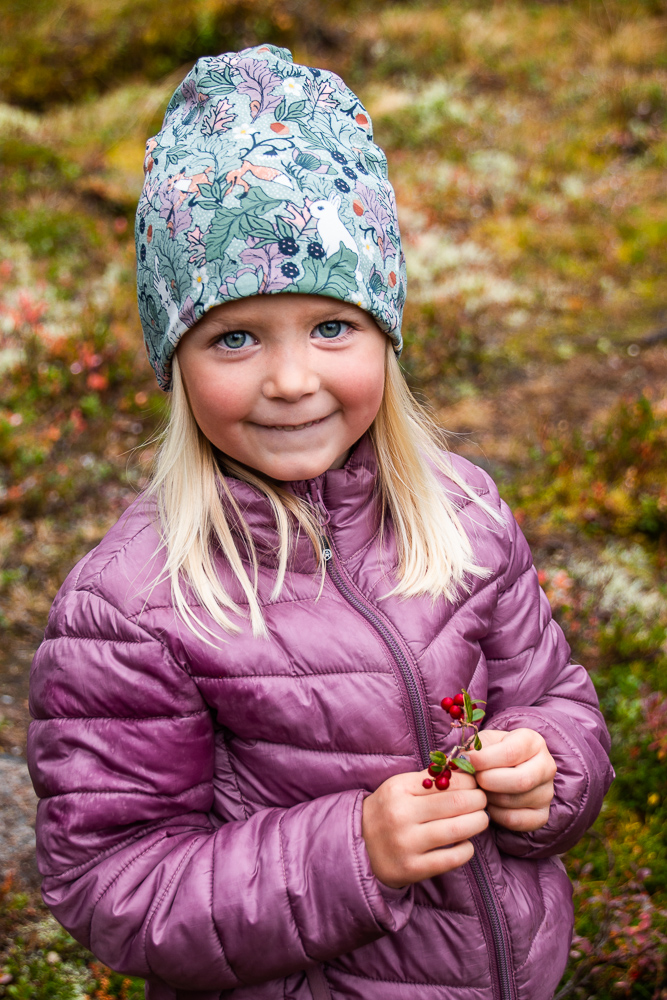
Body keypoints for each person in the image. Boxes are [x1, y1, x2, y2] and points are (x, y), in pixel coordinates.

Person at [27, 44, 613, 1000]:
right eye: (236, 337)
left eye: (331, 327)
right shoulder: (134, 608)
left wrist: (548, 770)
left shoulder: (460, 512)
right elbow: (110, 880)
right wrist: (352, 855)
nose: (291, 380)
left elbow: (557, 697)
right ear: (176, 363)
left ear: (385, 331)